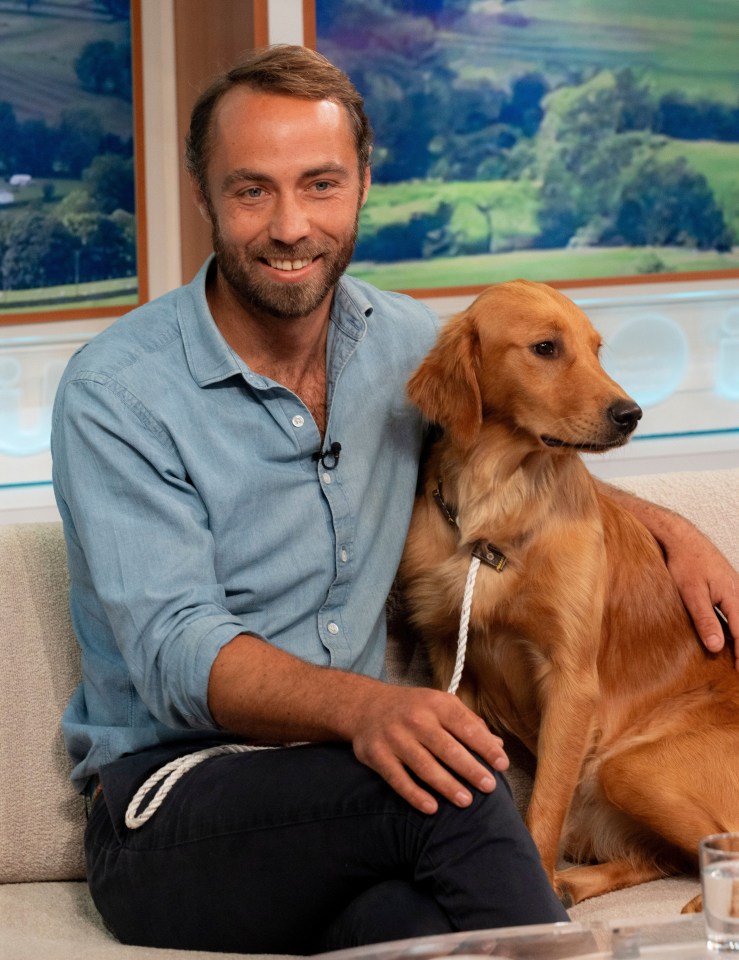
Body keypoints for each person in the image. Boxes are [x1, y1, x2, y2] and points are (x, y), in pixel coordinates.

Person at [51, 45, 738, 956]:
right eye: (253, 189)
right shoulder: (117, 393)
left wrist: (671, 531)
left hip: (350, 796)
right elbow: (179, 651)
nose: (291, 225)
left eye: (320, 184)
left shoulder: (410, 343)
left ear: (363, 185)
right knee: (464, 791)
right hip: (172, 801)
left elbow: (524, 447)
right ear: (202, 192)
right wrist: (369, 709)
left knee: (413, 930)